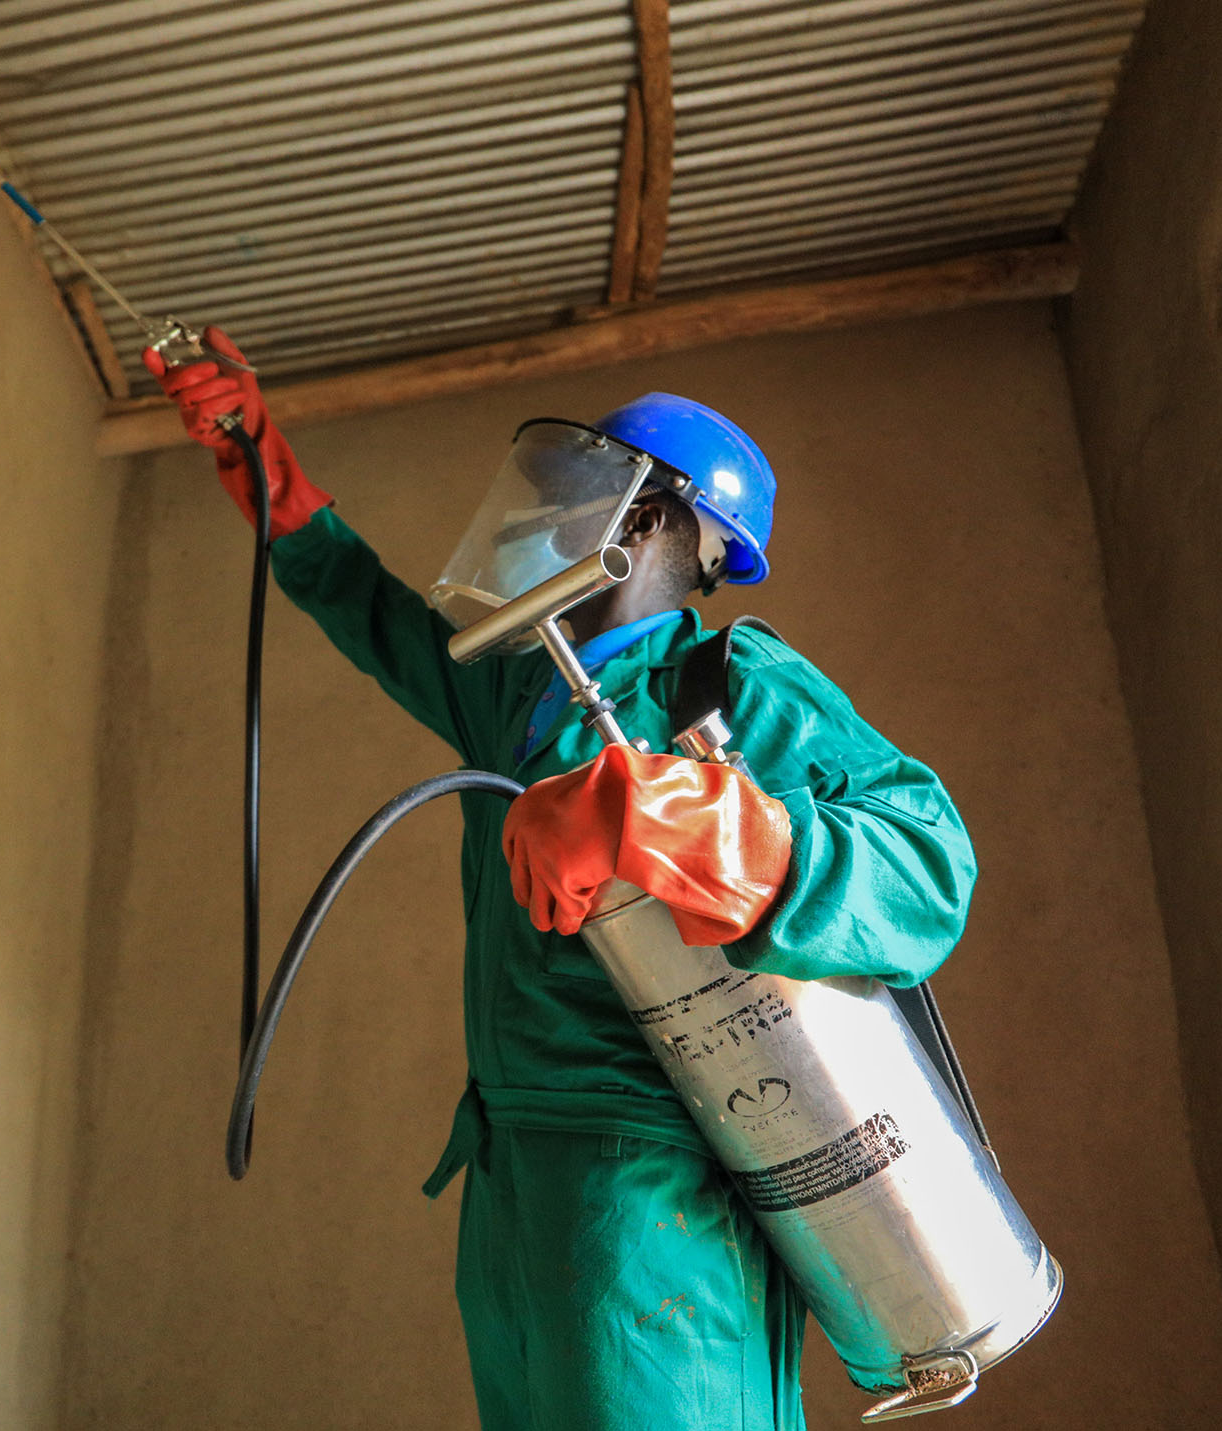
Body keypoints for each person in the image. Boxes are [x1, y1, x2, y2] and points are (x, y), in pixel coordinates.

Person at [149, 329, 975, 1431]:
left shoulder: (726, 685)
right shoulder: (520, 693)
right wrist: (262, 461)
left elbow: (929, 865)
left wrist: (691, 826)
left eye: (580, 490)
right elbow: (366, 604)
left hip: (653, 1182)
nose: (546, 516)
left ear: (653, 522)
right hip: (512, 1172)